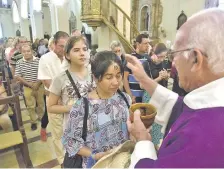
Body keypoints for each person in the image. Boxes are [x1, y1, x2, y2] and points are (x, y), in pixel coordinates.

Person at [127, 8, 224, 168]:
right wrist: (144, 79)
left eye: (175, 54)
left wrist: (143, 141)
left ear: (195, 59)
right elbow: (184, 109)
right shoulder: (212, 108)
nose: (172, 63)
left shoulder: (201, 137)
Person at [62, 51, 131, 168]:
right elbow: (70, 141)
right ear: (95, 77)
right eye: (109, 77)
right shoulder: (82, 106)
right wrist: (95, 155)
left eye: (118, 75)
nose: (115, 82)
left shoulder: (125, 99)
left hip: (120, 162)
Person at [48, 36, 94, 131]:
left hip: (94, 125)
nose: (82, 53)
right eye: (76, 50)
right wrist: (72, 107)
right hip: (73, 128)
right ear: (67, 55)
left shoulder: (95, 73)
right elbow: (51, 107)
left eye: (85, 49)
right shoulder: (60, 78)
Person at [38, 31, 69, 166]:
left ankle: (71, 153)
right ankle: (62, 161)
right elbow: (46, 80)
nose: (63, 49)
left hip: (69, 99)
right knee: (58, 131)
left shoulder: (69, 57)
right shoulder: (46, 59)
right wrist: (59, 95)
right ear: (54, 44)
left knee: (70, 127)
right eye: (61, 46)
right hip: (53, 99)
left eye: (66, 46)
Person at [15, 44, 44, 130]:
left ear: (32, 51)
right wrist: (28, 83)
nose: (26, 53)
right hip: (27, 87)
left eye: (28, 51)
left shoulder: (39, 60)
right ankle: (33, 121)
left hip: (39, 86)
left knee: (41, 104)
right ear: (21, 52)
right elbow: (18, 76)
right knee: (30, 105)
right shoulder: (19, 62)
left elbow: (43, 73)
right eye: (24, 51)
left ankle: (41, 117)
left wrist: (37, 83)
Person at [123, 34, 150, 103]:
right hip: (134, 97)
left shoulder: (148, 58)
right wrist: (130, 95)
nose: (148, 45)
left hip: (146, 96)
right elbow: (125, 78)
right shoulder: (130, 58)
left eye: (148, 43)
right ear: (138, 44)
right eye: (145, 43)